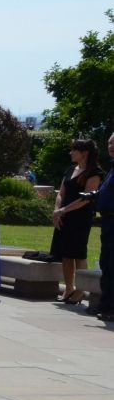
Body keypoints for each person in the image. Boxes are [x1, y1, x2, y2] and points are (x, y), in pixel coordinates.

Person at [50, 139, 102, 303]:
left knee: (78, 254)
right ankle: (69, 288)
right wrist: (57, 212)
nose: (70, 153)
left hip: (80, 218)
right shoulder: (70, 169)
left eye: (74, 150)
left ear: (84, 153)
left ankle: (80, 290)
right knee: (66, 254)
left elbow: (85, 199)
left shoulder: (95, 173)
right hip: (63, 216)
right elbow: (61, 193)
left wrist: (63, 210)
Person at [79, 133, 114, 321]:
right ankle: (105, 306)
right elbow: (105, 191)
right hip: (107, 222)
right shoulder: (112, 167)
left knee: (112, 265)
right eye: (109, 143)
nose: (111, 146)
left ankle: (110, 308)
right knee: (106, 265)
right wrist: (93, 195)